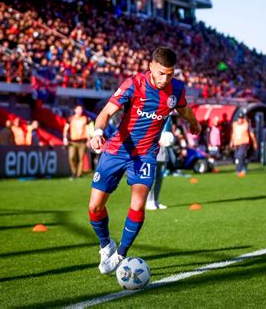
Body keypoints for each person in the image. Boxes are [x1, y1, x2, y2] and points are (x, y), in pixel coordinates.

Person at [88, 47, 201, 275]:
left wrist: (195, 124)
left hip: (145, 155)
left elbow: (185, 111)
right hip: (117, 149)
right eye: (161, 73)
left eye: (169, 74)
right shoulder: (134, 84)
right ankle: (105, 244)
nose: (165, 79)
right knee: (95, 206)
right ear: (151, 66)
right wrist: (97, 132)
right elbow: (107, 112)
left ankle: (120, 253)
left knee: (138, 203)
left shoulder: (175, 90)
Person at [63, 105, 89, 179]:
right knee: (72, 157)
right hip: (73, 141)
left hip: (82, 141)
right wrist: (65, 138)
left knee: (81, 158)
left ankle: (79, 174)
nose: (80, 111)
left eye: (81, 109)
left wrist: (88, 140)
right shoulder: (71, 118)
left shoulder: (85, 118)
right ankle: (73, 172)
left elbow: (87, 129)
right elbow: (65, 129)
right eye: (78, 109)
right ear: (75, 110)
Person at [230, 111, 257, 177]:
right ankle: (243, 167)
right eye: (239, 118)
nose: (240, 119)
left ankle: (240, 171)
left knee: (240, 156)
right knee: (237, 157)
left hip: (244, 143)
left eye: (241, 118)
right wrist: (231, 142)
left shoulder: (246, 124)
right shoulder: (234, 124)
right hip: (236, 143)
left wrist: (254, 142)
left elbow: (251, 134)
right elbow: (233, 134)